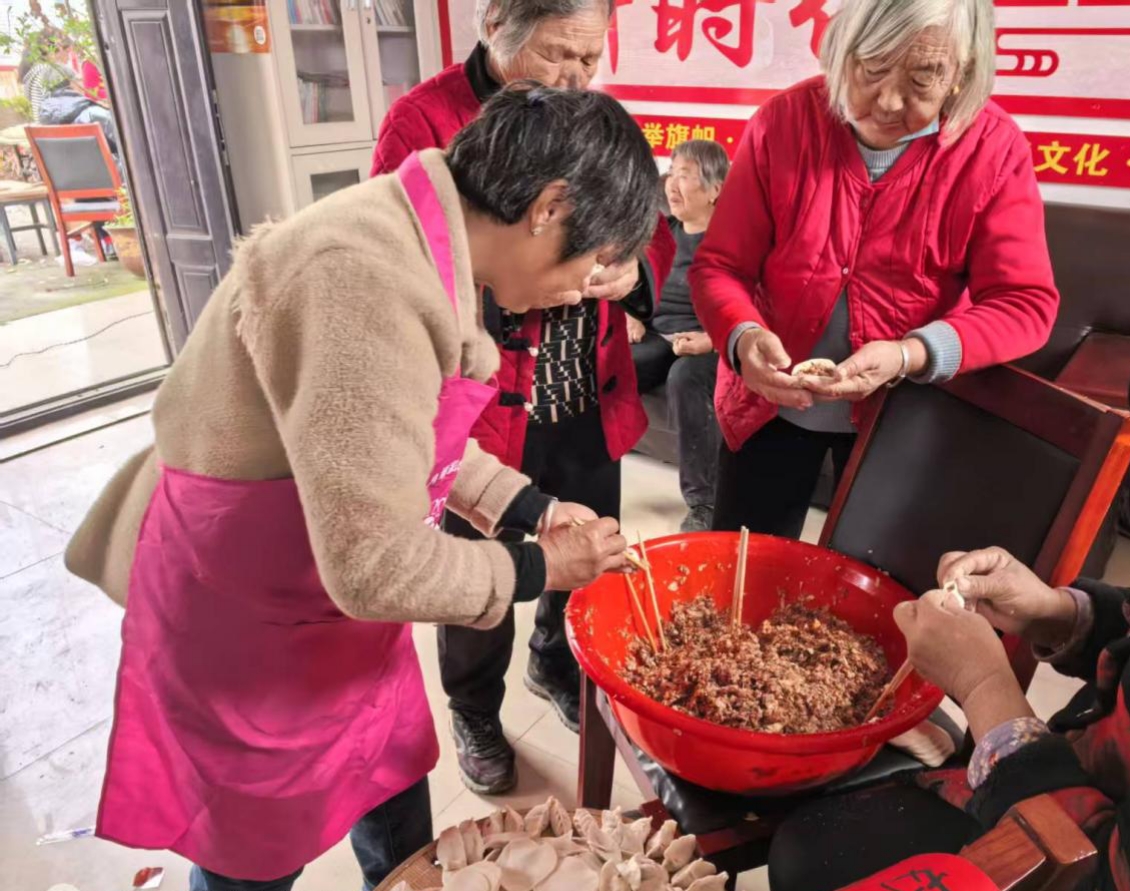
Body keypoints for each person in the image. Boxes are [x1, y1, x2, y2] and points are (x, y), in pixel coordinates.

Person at [63, 85, 661, 891]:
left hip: (334, 612)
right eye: (591, 268)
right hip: (254, 615)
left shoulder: (426, 240)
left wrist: (536, 507)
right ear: (549, 208)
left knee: (391, 798)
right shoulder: (360, 277)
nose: (580, 292)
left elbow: (409, 439)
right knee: (256, 858)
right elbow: (374, 567)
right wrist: (544, 567)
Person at [768, 255, 1130, 891]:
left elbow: (1108, 876)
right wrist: (1059, 613)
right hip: (1087, 766)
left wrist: (984, 689)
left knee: (813, 854)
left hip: (1070, 852)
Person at [372, 0, 676, 795]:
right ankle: (476, 706)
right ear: (496, 22)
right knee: (480, 563)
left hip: (582, 386)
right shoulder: (424, 122)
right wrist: (529, 278)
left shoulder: (584, 115)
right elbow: (415, 270)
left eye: (589, 57)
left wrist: (626, 270)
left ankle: (554, 661)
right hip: (483, 408)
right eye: (557, 54)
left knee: (577, 540)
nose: (576, 77)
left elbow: (650, 223)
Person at [691, 0, 1059, 539]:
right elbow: (720, 267)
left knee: (873, 586)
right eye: (873, 67)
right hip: (766, 404)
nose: (888, 101)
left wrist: (911, 354)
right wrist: (743, 337)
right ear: (842, 51)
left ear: (963, 72)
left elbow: (1025, 304)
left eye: (922, 77)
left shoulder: (993, 149)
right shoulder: (783, 123)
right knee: (742, 569)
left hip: (900, 415)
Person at [630, 140, 730, 532]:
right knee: (613, 368)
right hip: (659, 333)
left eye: (685, 176)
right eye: (672, 173)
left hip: (709, 339)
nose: (672, 183)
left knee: (685, 377)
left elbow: (752, 302)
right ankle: (579, 466)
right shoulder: (662, 232)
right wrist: (631, 313)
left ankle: (703, 503)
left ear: (715, 189)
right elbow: (632, 279)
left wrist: (712, 338)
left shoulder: (730, 240)